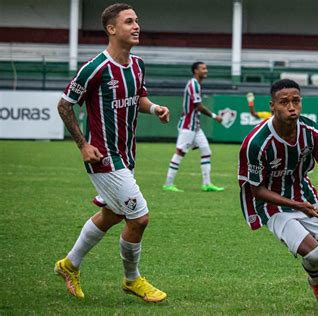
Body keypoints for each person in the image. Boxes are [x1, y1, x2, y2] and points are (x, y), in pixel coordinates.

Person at [54, 3, 169, 302]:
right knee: (139, 218)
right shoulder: (95, 68)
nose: (136, 26)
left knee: (112, 214)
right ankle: (132, 280)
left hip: (127, 155)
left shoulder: (138, 64)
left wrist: (154, 108)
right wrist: (83, 144)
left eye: (137, 21)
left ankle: (69, 265)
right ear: (111, 29)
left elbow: (138, 97)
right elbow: (65, 105)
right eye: (129, 21)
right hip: (103, 157)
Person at [238, 79, 318, 312]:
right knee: (314, 254)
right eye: (284, 102)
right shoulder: (256, 143)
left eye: (296, 101)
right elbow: (257, 191)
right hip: (270, 204)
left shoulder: (312, 133)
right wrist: (296, 205)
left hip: (305, 196)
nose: (291, 107)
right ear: (272, 105)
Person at [163, 62, 225, 192]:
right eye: (203, 68)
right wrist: (215, 116)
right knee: (180, 152)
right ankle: (168, 184)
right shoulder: (193, 84)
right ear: (196, 71)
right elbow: (199, 106)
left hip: (195, 126)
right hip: (188, 126)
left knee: (206, 151)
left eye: (206, 68)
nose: (206, 70)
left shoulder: (196, 84)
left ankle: (207, 184)